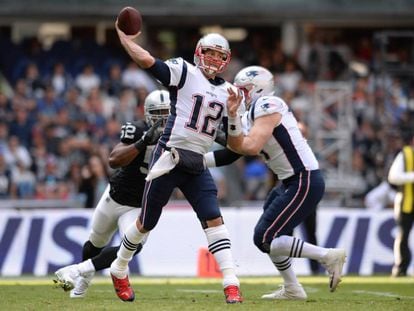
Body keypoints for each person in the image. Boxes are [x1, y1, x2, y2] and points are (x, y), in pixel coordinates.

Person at [109, 22, 243, 304]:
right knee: (146, 222)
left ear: (226, 60)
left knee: (213, 218)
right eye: (209, 52)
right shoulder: (185, 72)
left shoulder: (231, 93)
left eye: (220, 55)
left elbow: (235, 143)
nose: (214, 59)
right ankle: (119, 267)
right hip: (169, 156)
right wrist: (125, 39)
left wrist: (234, 115)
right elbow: (147, 60)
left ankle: (231, 283)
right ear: (198, 53)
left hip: (196, 164)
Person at [225, 65, 346, 299]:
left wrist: (231, 121)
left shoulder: (267, 104)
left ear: (259, 88)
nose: (240, 94)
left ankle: (328, 256)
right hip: (290, 181)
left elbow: (249, 147)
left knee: (264, 237)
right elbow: (235, 147)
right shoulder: (251, 112)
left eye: (245, 89)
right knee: (271, 237)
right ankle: (293, 287)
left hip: (303, 178)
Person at [53, 89, 170, 298]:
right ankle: (84, 281)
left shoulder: (179, 136)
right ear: (146, 113)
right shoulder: (137, 129)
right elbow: (114, 160)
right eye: (157, 112)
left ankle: (78, 270)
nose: (162, 118)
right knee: (95, 243)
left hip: (139, 204)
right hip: (116, 195)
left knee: (134, 246)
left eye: (166, 112)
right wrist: (143, 141)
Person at [388, 132, 414, 277]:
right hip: (406, 203)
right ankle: (400, 268)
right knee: (403, 236)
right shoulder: (405, 154)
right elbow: (393, 177)